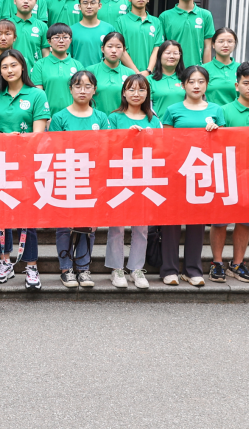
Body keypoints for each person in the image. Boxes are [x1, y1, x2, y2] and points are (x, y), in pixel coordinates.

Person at [0, 49, 50, 290]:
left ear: (23, 67)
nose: (9, 70)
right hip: (1, 162)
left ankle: (31, 266)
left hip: (28, 162)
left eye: (13, 65)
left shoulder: (36, 95)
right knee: (1, 214)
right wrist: (5, 138)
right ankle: (5, 262)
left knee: (26, 216)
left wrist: (19, 141)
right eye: (4, 67)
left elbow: (39, 133)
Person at [207, 60, 249, 285]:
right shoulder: (222, 111)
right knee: (220, 221)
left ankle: (237, 263)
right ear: (237, 86)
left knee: (246, 221)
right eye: (246, 83)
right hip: (226, 173)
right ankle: (217, 262)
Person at [159, 65, 226, 287]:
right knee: (171, 223)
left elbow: (223, 144)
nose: (196, 86)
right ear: (183, 85)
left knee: (197, 223)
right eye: (191, 82)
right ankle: (169, 269)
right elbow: (166, 144)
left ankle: (193, 270)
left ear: (207, 84)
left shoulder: (216, 110)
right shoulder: (172, 110)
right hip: (176, 172)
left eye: (201, 82)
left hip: (202, 173)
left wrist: (216, 133)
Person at [46, 70, 108, 289]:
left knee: (88, 225)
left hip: (92, 178)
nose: (83, 90)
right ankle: (66, 269)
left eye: (88, 86)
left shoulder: (101, 118)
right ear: (70, 89)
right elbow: (53, 149)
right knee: (65, 225)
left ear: (94, 90)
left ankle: (83, 268)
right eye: (78, 86)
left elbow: (105, 149)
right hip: (66, 176)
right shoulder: (60, 117)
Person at [103, 74, 159, 290]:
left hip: (145, 176)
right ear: (124, 93)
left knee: (141, 226)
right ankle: (116, 268)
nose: (136, 94)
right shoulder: (114, 117)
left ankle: (136, 268)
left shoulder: (154, 119)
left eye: (141, 90)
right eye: (131, 89)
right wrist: (126, 137)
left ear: (147, 94)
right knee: (117, 226)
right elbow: (107, 146)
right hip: (120, 176)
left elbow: (163, 148)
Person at [158, 0, 214, 65]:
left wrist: (206, 70)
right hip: (172, 69)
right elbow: (160, 47)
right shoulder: (165, 16)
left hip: (196, 70)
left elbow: (207, 47)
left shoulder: (205, 15)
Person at [32, 23, 84, 114]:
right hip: (48, 117)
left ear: (70, 40)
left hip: (73, 116)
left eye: (65, 37)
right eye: (56, 37)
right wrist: (44, 116)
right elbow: (37, 95)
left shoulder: (78, 65)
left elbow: (82, 94)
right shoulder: (40, 64)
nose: (61, 41)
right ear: (49, 41)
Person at [115, 0, 163, 73]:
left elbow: (157, 48)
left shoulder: (156, 22)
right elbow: (119, 48)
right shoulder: (120, 21)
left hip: (150, 75)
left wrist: (148, 71)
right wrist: (136, 73)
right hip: (127, 74)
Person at [88, 31, 136, 115]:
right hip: (96, 119)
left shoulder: (130, 73)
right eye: (109, 46)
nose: (114, 50)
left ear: (124, 50)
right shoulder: (90, 71)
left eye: (118, 47)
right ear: (102, 49)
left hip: (122, 119)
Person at [70, 0, 115, 67]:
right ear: (79, 7)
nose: (89, 6)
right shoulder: (71, 30)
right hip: (79, 73)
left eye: (93, 3)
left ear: (99, 5)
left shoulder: (109, 29)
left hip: (102, 73)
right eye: (85, 3)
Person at [8, 0, 48, 65]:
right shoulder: (6, 24)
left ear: (36, 2)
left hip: (35, 72)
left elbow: (46, 55)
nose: (26, 1)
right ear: (14, 0)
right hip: (11, 71)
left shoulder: (42, 26)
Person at [202, 27, 240, 106]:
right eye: (221, 41)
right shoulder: (203, 69)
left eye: (230, 41)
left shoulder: (242, 69)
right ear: (213, 44)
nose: (225, 45)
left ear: (234, 44)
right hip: (211, 113)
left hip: (236, 113)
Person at [148, 40, 187, 117]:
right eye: (168, 53)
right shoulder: (149, 80)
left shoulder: (187, 79)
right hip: (159, 123)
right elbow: (147, 107)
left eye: (175, 53)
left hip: (183, 122)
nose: (172, 56)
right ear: (160, 55)